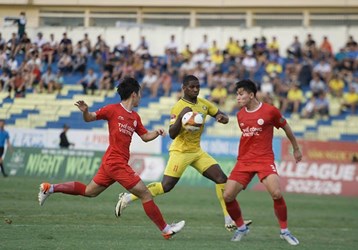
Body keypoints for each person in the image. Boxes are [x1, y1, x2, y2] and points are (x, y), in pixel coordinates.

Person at [38, 77, 185, 239]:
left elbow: (144, 136)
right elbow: (89, 118)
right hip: (115, 162)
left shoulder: (135, 117)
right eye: (140, 94)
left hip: (112, 162)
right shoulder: (112, 109)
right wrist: (85, 111)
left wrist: (156, 132)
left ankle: (49, 188)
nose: (141, 98)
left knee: (89, 191)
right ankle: (166, 230)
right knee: (145, 195)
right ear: (134, 94)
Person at [115, 75, 252, 231]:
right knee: (166, 186)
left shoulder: (204, 104)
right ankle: (128, 197)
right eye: (192, 87)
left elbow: (223, 117)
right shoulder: (178, 107)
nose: (195, 89)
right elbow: (172, 134)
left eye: (197, 86)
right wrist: (181, 116)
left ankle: (229, 219)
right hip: (180, 152)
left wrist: (222, 118)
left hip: (197, 151)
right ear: (184, 88)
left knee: (221, 178)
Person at [223, 79, 302, 245]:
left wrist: (295, 148)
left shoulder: (270, 111)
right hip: (244, 160)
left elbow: (286, 127)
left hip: (264, 159)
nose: (238, 98)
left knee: (276, 193)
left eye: (241, 94)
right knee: (228, 196)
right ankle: (242, 228)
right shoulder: (240, 115)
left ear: (251, 95)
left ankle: (284, 231)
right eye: (237, 94)